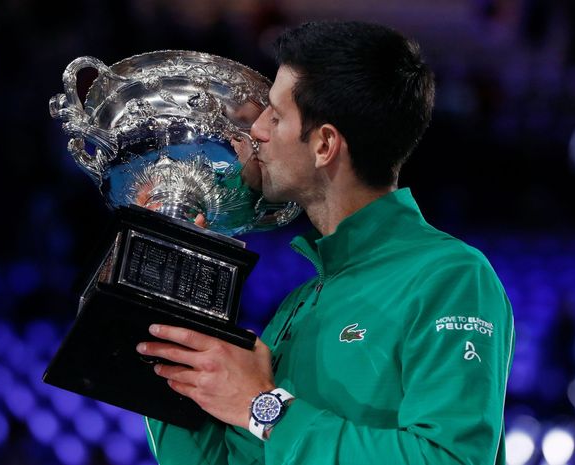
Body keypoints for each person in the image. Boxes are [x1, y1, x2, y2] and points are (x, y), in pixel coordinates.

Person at [136, 20, 514, 465]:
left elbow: (449, 459)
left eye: (275, 117)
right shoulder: (302, 301)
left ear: (325, 145)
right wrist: (163, 283)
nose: (256, 130)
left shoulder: (450, 277)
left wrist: (267, 408)